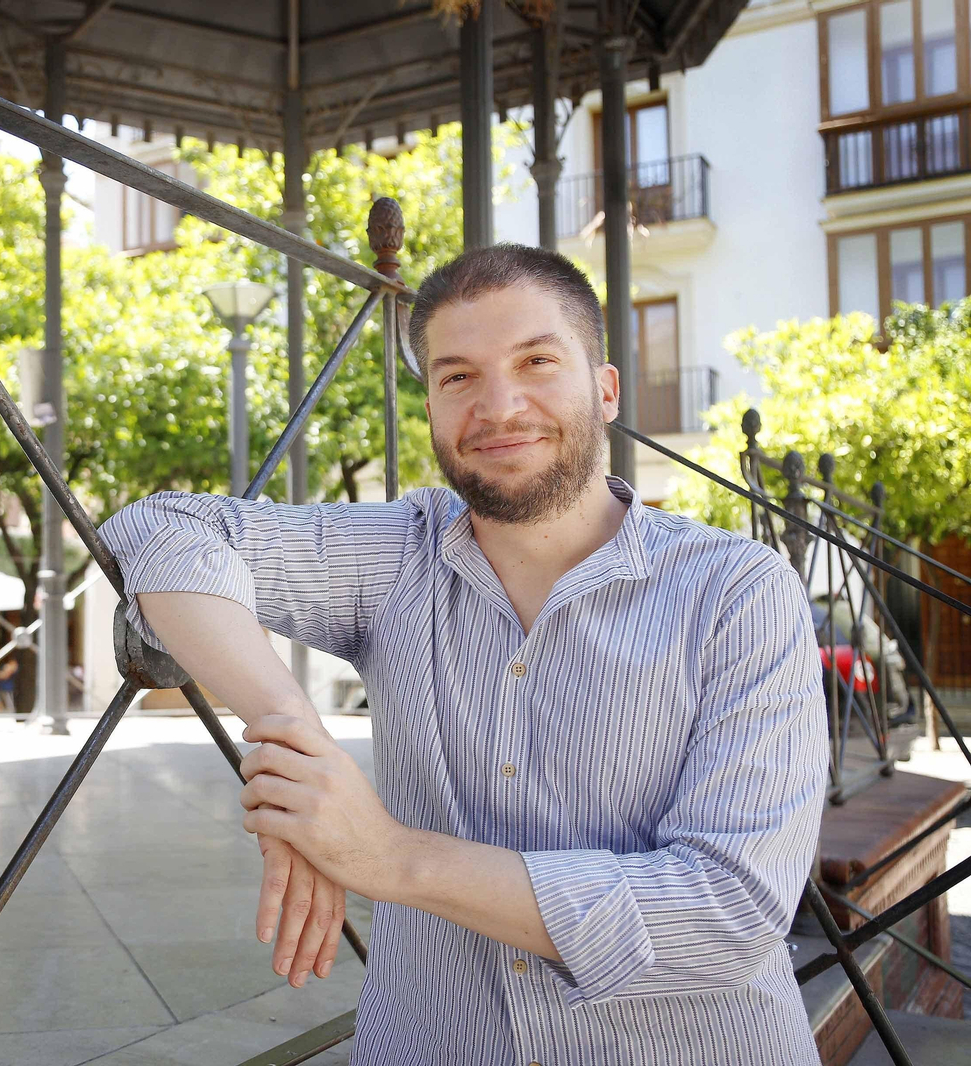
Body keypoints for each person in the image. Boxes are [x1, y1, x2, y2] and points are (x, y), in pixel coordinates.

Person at [99, 244, 826, 1066]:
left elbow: (724, 912)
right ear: (433, 405)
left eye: (537, 361)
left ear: (607, 388)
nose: (499, 405)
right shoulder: (397, 556)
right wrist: (291, 731)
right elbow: (160, 528)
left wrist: (390, 856)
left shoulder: (737, 591)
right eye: (458, 376)